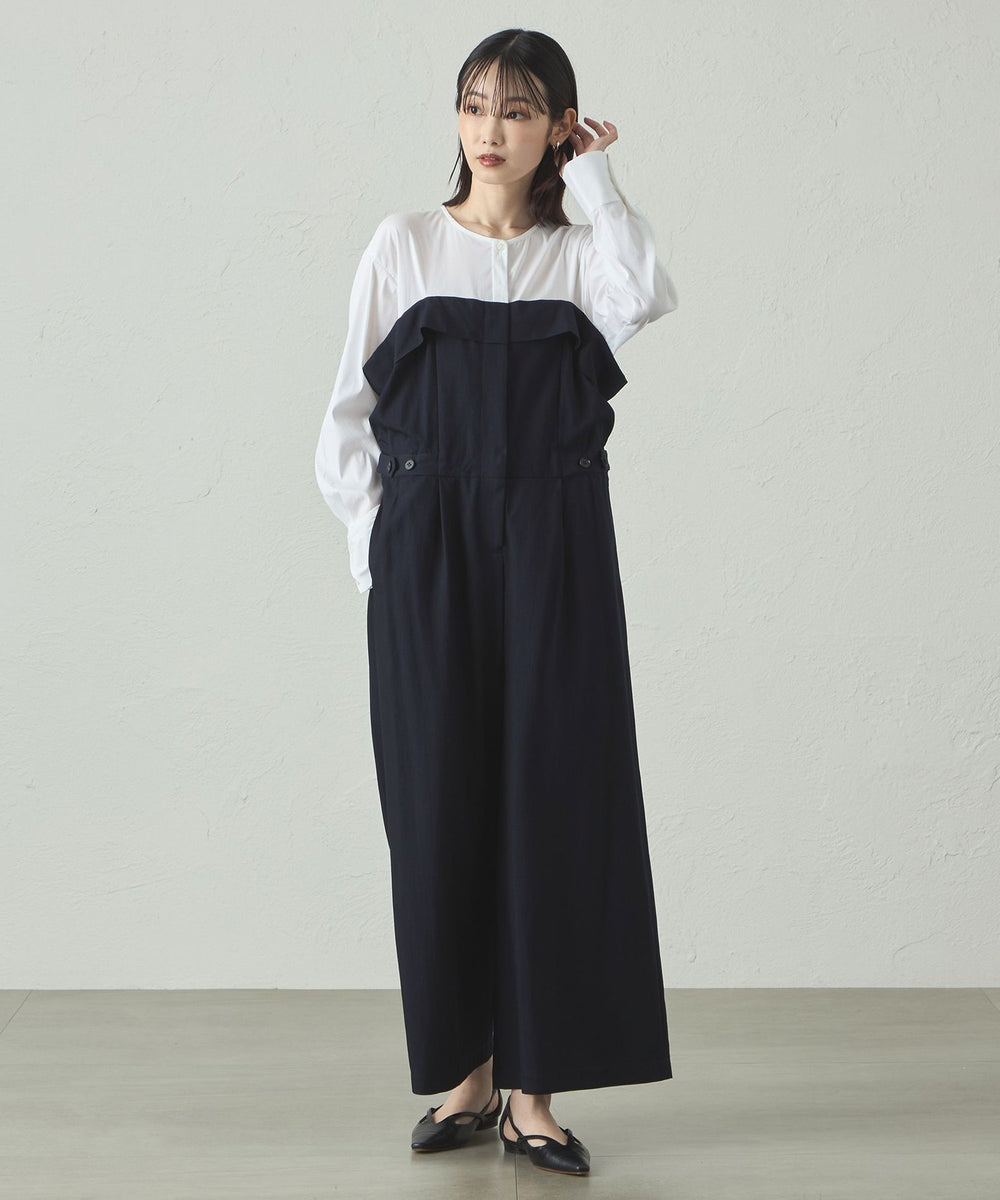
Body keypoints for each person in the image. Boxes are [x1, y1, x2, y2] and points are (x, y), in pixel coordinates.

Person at [315, 28, 679, 1178]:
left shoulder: (580, 257)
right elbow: (348, 416)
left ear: (556, 127)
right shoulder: (406, 243)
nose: (489, 130)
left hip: (557, 541)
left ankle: (534, 1094)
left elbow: (645, 294)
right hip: (424, 547)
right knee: (436, 807)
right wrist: (379, 559)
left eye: (519, 111)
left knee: (556, 800)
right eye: (474, 105)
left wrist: (598, 179)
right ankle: (466, 1072)